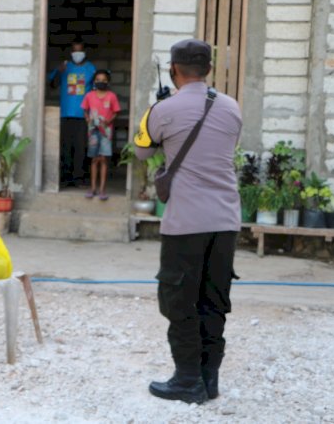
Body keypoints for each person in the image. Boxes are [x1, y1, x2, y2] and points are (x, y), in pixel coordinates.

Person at [133, 39, 242, 404]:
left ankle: (187, 379)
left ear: (174, 70)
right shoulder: (232, 107)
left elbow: (141, 150)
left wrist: (156, 110)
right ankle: (209, 380)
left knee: (179, 300)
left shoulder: (162, 110)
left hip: (185, 223)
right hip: (226, 220)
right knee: (214, 298)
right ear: (208, 69)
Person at [48, 41, 96, 186]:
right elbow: (52, 85)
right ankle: (65, 177)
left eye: (80, 51)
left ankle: (78, 177)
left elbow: (96, 90)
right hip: (65, 114)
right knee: (65, 147)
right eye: (74, 51)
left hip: (83, 115)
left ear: (85, 52)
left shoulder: (90, 68)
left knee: (81, 147)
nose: (77, 54)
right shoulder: (64, 67)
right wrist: (59, 71)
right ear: (70, 53)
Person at [81, 69, 120, 201]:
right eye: (98, 80)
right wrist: (87, 119)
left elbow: (116, 111)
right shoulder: (89, 95)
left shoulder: (112, 96)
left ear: (108, 82)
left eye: (103, 80)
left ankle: (102, 189)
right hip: (92, 131)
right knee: (94, 159)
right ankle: (92, 188)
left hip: (106, 132)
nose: (100, 82)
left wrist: (109, 121)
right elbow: (85, 110)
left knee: (103, 159)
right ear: (94, 81)